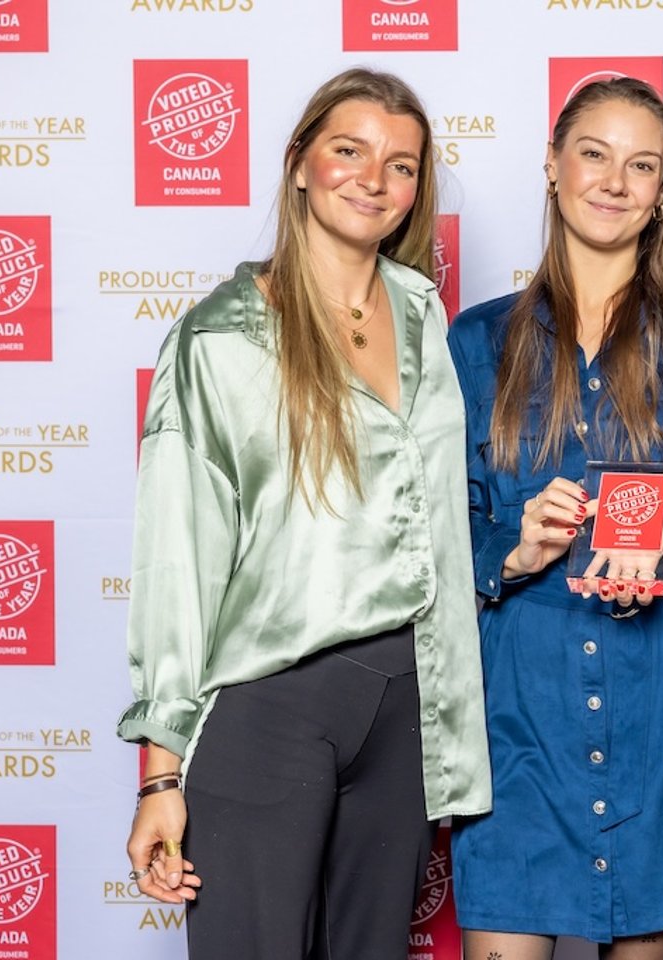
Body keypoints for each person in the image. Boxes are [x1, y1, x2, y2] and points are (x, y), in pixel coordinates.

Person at [116, 68, 490, 959]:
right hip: (271, 702)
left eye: (401, 165)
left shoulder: (424, 313)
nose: (374, 178)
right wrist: (159, 777)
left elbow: (435, 515)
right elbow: (177, 556)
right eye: (348, 151)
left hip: (407, 704)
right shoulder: (221, 338)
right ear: (297, 165)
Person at [446, 77, 663, 959]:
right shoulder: (476, 341)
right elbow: (436, 538)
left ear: (662, 193)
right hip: (519, 709)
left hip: (658, 698)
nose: (615, 181)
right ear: (552, 166)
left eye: (642, 164)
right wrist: (512, 550)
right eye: (594, 154)